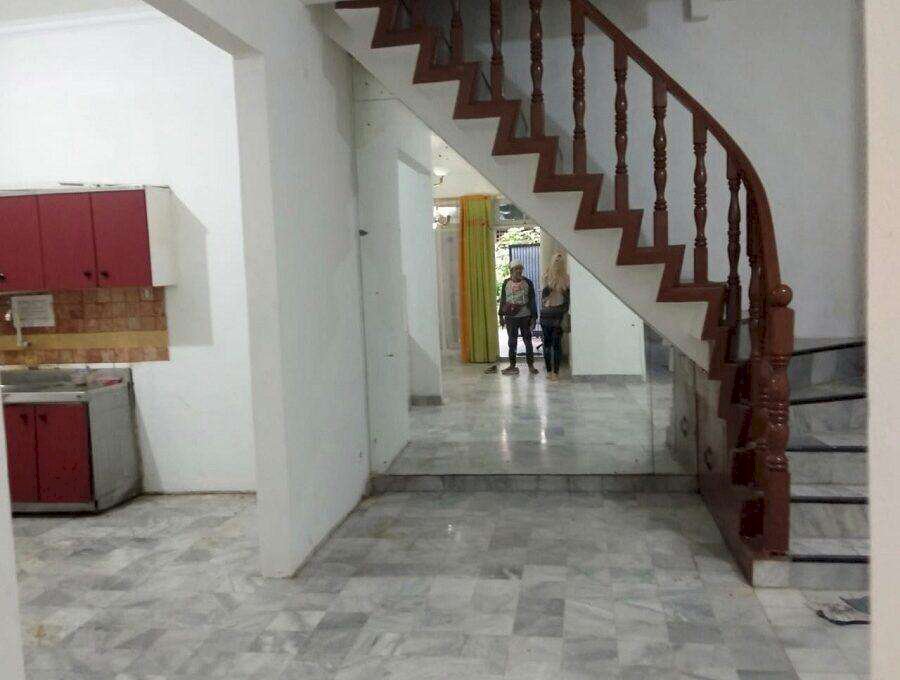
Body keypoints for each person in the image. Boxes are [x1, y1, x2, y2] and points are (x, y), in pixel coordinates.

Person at [498, 259, 538, 375]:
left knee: (528, 341)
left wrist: (534, 318)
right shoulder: (506, 283)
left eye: (521, 268)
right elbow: (503, 300)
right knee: (512, 342)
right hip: (510, 317)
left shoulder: (528, 282)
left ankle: (531, 365)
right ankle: (512, 365)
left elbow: (532, 300)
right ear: (511, 270)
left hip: (525, 316)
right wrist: (501, 316)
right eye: (516, 269)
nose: (519, 271)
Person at [540, 252, 570, 381]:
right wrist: (550, 287)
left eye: (560, 261)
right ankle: (549, 371)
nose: (558, 263)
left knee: (557, 344)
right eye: (556, 260)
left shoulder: (566, 278)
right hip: (546, 314)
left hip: (558, 314)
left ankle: (556, 372)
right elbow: (543, 298)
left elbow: (568, 299)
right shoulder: (546, 276)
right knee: (547, 344)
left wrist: (563, 291)